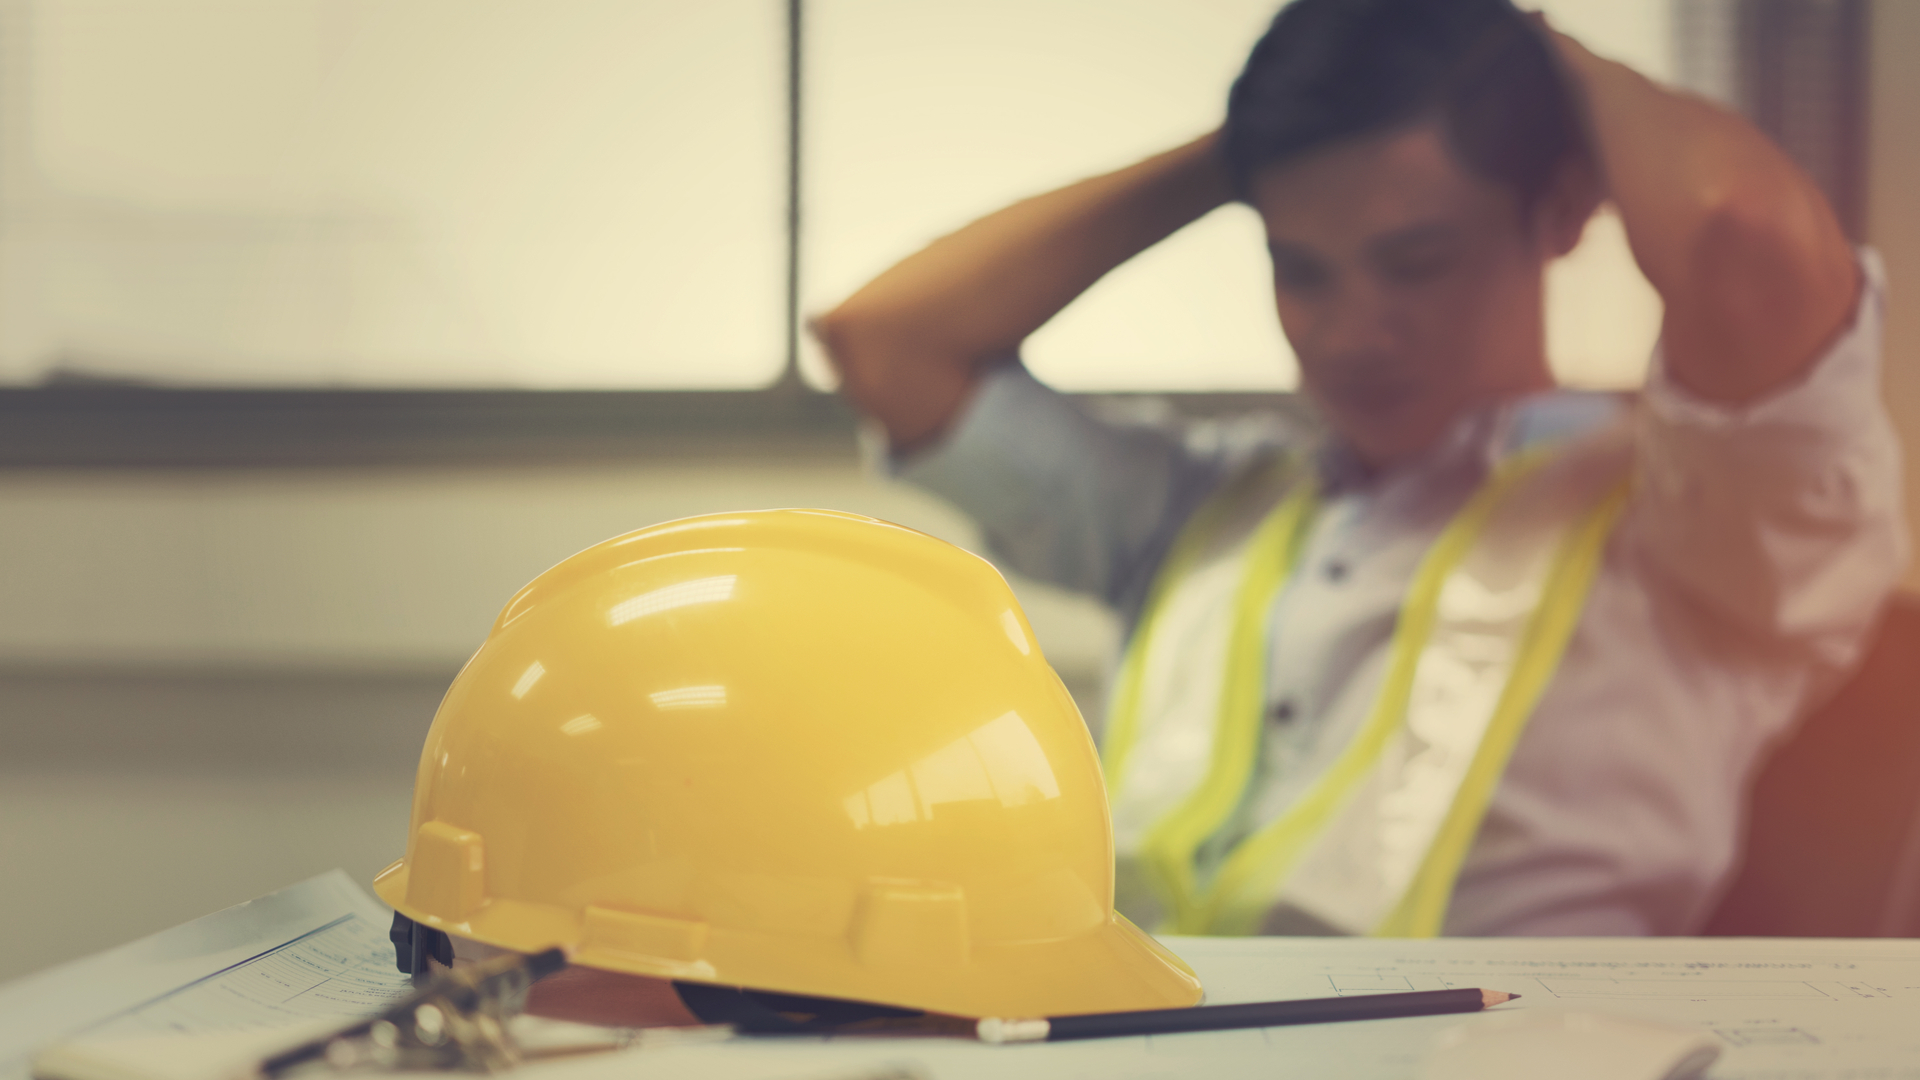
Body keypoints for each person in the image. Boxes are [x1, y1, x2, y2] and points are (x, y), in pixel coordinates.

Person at [811, 0, 1908, 937]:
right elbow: (885, 341)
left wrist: (1523, 52)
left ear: (1565, 213)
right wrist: (1243, 153)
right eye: (1304, 271)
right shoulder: (1202, 503)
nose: (1350, 333)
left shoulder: (1700, 521)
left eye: (1415, 264)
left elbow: (1739, 227)